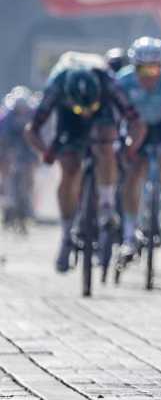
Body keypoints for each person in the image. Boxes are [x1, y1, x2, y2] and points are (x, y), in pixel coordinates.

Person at [24, 52, 142, 272]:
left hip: (103, 112)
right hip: (69, 119)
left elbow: (136, 122)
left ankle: (106, 205)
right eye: (82, 109)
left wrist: (130, 147)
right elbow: (32, 130)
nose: (86, 114)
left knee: (106, 146)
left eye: (89, 108)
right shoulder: (57, 86)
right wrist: (47, 153)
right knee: (69, 167)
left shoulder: (108, 83)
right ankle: (66, 232)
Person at [114, 37, 161, 260]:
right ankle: (128, 234)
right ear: (133, 67)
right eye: (142, 70)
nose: (148, 76)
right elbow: (115, 115)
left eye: (153, 69)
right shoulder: (122, 81)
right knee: (134, 172)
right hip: (136, 125)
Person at [0, 86, 39, 231]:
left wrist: (35, 157)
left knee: (28, 180)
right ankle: (8, 206)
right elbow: (3, 139)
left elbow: (36, 136)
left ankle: (27, 206)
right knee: (7, 179)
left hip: (27, 150)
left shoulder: (32, 116)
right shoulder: (6, 119)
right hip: (9, 148)